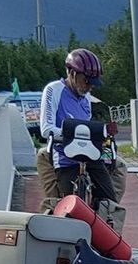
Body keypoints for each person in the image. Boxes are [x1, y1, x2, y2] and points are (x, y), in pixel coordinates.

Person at [36, 48, 118, 207]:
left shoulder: (86, 98)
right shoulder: (54, 90)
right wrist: (73, 134)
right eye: (87, 81)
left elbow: (87, 126)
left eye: (93, 83)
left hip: (89, 153)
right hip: (64, 155)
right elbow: (46, 129)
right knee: (66, 205)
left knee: (109, 200)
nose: (90, 87)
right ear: (72, 74)